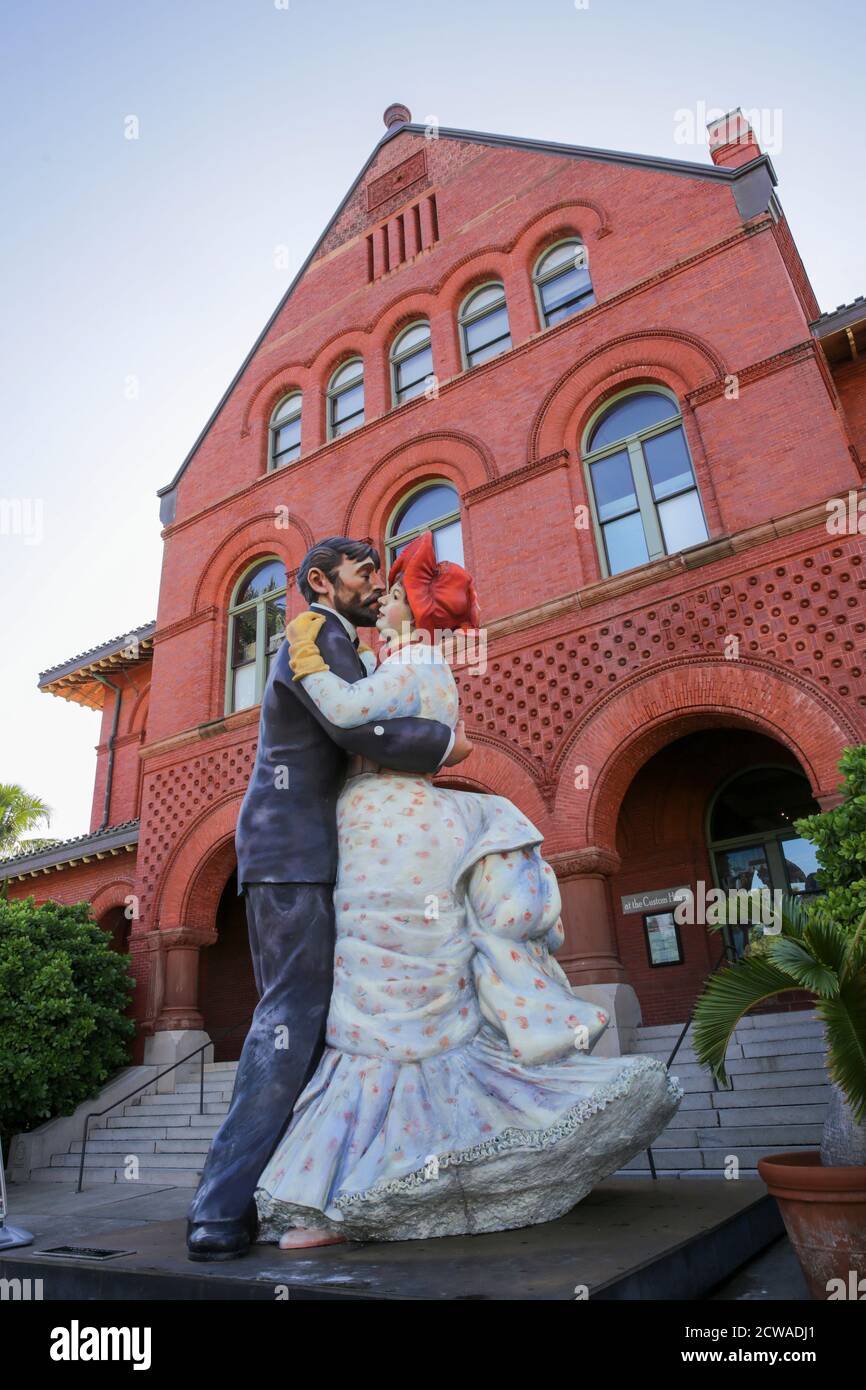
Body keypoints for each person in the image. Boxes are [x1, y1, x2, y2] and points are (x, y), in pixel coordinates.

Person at [254, 531, 683, 1246]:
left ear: (412, 616)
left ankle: (344, 1189)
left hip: (386, 828)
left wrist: (308, 665)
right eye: (376, 587)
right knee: (397, 993)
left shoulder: (412, 660)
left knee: (381, 995)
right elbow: (428, 736)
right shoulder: (410, 663)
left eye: (390, 596)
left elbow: (346, 714)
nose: (381, 601)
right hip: (391, 827)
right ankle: (368, 1182)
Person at [186, 537, 471, 1261]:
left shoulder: (350, 644)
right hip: (292, 850)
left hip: (320, 850)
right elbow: (347, 724)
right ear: (321, 581)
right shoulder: (314, 630)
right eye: (364, 571)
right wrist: (443, 743)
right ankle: (219, 1208)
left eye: (382, 572)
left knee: (320, 1025)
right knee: (291, 1018)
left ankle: (284, 1192)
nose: (378, 583)